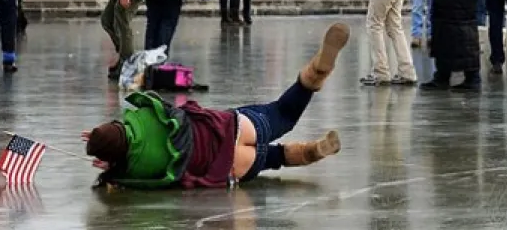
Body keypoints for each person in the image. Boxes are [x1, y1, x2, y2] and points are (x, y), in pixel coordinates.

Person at [84, 23, 350, 188]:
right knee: (283, 113)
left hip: (233, 167)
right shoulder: (142, 116)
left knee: (275, 158)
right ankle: (316, 71)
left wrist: (114, 167)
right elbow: (159, 104)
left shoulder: (134, 171)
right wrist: (108, 133)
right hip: (233, 129)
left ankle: (313, 151)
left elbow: (152, 181)